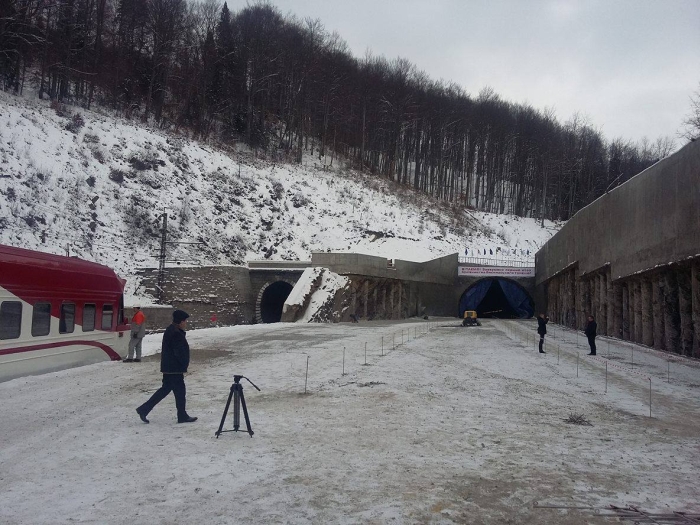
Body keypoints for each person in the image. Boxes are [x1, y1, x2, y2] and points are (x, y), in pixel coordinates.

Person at [136, 310, 197, 424]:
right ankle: (182, 416)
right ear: (180, 322)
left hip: (170, 368)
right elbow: (178, 352)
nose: (186, 323)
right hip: (174, 369)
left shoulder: (172, 330)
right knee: (179, 392)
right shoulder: (175, 333)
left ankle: (144, 409)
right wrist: (183, 364)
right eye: (185, 321)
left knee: (165, 390)